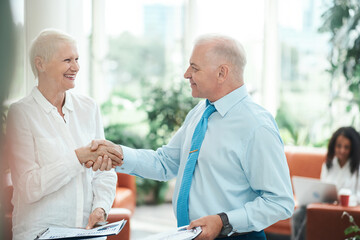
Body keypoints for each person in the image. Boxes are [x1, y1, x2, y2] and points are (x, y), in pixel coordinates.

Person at [93, 34, 295, 240]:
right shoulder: (201, 111)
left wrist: (223, 221)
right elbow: (166, 163)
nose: (186, 74)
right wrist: (119, 155)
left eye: (194, 68)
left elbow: (279, 202)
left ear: (221, 73)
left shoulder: (256, 126)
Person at [5, 29, 123, 240]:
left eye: (77, 59)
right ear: (40, 64)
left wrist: (101, 207)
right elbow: (29, 187)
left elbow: (104, 170)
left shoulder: (89, 107)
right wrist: (78, 157)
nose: (76, 67)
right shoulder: (20, 113)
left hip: (86, 233)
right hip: (37, 234)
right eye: (67, 60)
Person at [291, 126, 360, 240]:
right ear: (333, 146)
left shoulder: (357, 168)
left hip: (345, 208)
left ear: (353, 149)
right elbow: (322, 189)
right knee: (298, 214)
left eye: (346, 147)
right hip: (326, 205)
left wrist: (345, 199)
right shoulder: (328, 165)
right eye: (339, 146)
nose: (342, 150)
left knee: (309, 219)